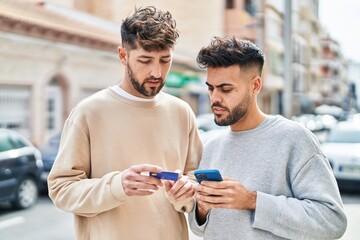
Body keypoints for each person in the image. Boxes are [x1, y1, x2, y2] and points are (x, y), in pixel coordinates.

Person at [47, 6, 202, 240]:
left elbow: (196, 184)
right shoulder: (89, 112)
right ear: (123, 55)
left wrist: (187, 194)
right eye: (145, 60)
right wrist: (118, 186)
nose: (156, 72)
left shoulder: (182, 112)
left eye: (165, 60)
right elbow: (61, 190)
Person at [188, 36, 347, 239]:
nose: (215, 98)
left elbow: (332, 221)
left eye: (226, 89)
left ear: (255, 86)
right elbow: (199, 228)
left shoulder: (293, 138)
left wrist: (253, 201)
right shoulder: (212, 146)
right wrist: (201, 208)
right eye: (211, 88)